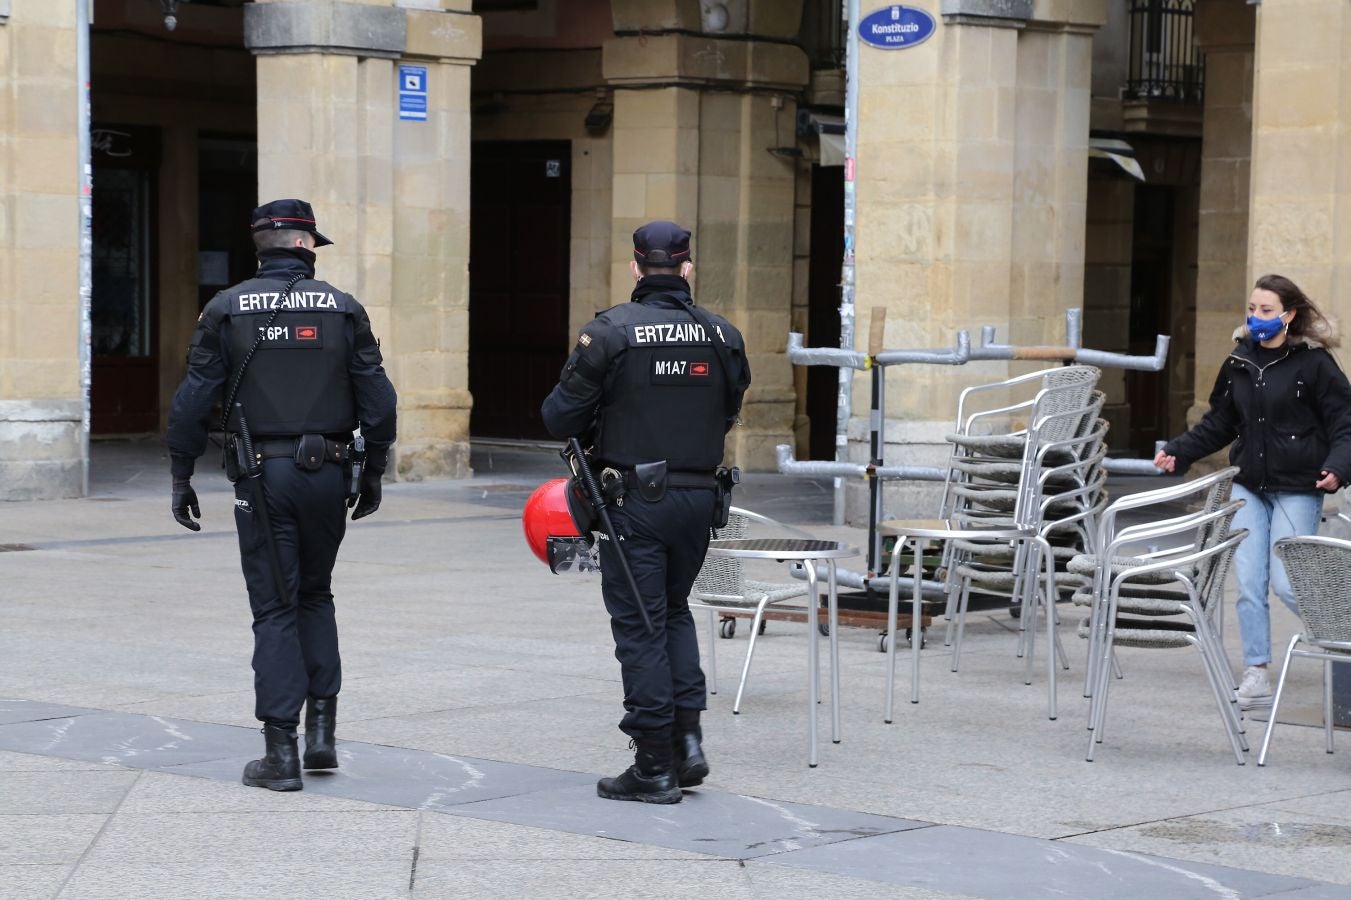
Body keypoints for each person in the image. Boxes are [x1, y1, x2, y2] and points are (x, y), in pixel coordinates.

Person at [166, 199, 397, 790]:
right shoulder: (344, 309)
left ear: (260, 245)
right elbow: (379, 402)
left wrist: (181, 472)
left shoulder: (227, 307)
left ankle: (280, 755)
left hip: (263, 476)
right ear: (307, 244)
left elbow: (194, 398)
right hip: (330, 472)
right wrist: (371, 470)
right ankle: (321, 739)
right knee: (316, 596)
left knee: (275, 607)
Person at [541, 220, 751, 804]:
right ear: (687, 267)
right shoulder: (723, 335)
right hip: (699, 497)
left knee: (639, 626)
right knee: (674, 613)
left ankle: (654, 764)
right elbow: (729, 409)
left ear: (636, 267)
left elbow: (558, 417)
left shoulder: (610, 332)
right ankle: (687, 745)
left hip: (633, 502)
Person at [1154, 274, 1351, 709]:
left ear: (1288, 315)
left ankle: (1344, 635)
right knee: (1248, 582)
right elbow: (1220, 422)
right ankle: (1256, 672)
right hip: (1249, 485)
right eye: (1252, 309)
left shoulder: (1314, 365)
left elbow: (1344, 422)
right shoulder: (1238, 362)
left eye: (1266, 310)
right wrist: (1179, 451)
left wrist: (1338, 467)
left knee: (1288, 583)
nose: (1256, 318)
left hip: (1299, 486)